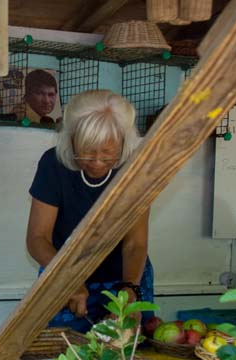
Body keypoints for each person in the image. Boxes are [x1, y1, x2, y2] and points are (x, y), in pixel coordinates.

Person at [26, 89, 153, 333]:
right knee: (63, 350)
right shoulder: (53, 165)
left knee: (126, 349)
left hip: (126, 277)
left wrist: (130, 291)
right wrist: (67, 280)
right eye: (86, 152)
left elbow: (134, 245)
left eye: (107, 155)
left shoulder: (136, 169)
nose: (96, 162)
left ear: (125, 142)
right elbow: (38, 239)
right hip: (61, 271)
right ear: (71, 139)